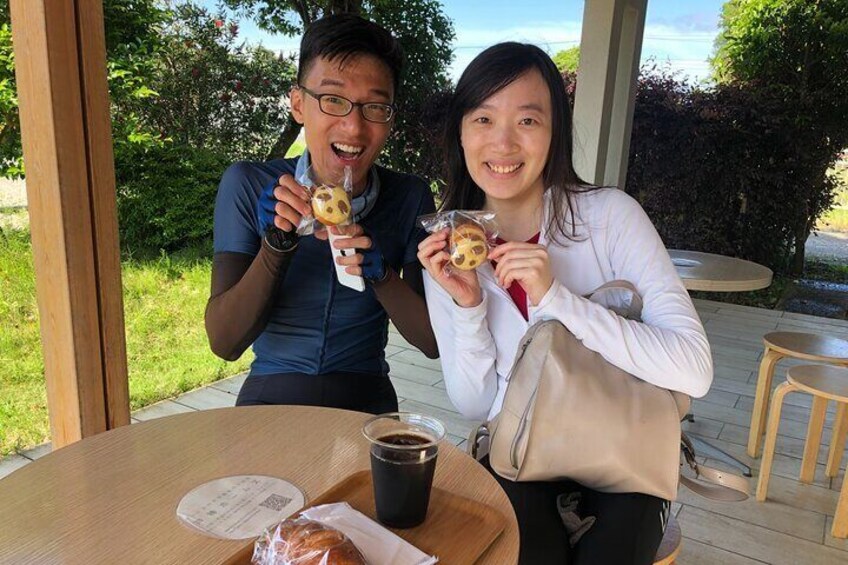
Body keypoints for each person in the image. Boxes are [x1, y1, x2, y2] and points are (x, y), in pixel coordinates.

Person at [417, 42, 713, 565]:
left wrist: (558, 300)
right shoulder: (452, 252)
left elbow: (694, 369)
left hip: (626, 447)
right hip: (519, 452)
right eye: (483, 118)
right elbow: (472, 404)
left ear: (554, 134)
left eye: (527, 119)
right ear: (460, 133)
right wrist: (467, 309)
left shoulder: (610, 217)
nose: (503, 142)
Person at [206, 14, 437, 414]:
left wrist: (381, 275)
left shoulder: (409, 197)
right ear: (298, 104)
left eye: (375, 106)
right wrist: (275, 248)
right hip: (270, 394)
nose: (353, 127)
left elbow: (431, 342)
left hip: (367, 398)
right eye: (332, 99)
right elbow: (225, 343)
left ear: (391, 119)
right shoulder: (248, 184)